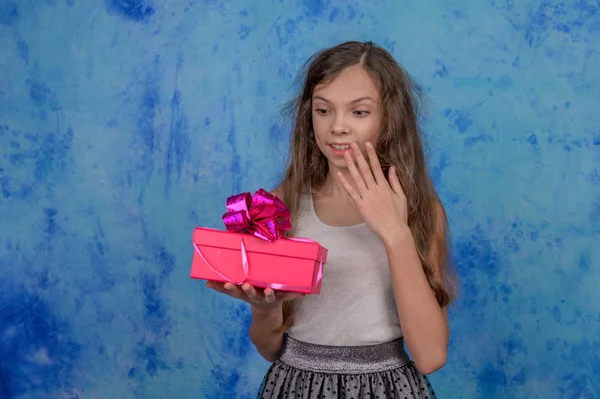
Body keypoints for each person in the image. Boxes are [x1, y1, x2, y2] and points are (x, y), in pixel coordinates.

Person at [207, 41, 459, 399]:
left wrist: (395, 233)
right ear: (310, 116)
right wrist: (266, 309)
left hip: (387, 389)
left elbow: (431, 356)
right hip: (296, 387)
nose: (337, 127)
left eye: (359, 112)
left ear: (389, 118)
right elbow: (269, 349)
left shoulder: (422, 211)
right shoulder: (279, 207)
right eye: (324, 110)